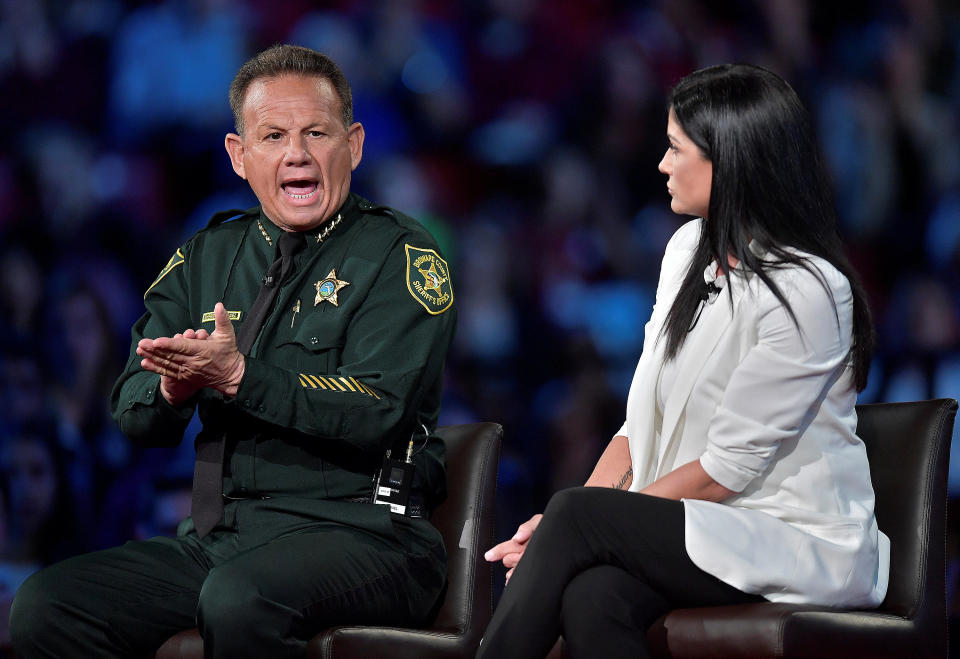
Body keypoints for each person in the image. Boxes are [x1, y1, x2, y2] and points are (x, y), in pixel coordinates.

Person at [10, 44, 456, 658]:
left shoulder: (401, 255)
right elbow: (130, 409)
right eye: (272, 136)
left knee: (238, 599)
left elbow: (377, 406)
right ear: (239, 155)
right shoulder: (207, 256)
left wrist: (241, 376)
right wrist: (173, 387)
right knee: (46, 606)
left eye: (315, 133)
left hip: (369, 535)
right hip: (225, 541)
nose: (296, 153)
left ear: (352, 145)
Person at [479, 63, 889, 659]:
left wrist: (574, 527)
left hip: (789, 536)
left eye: (676, 149)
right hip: (701, 526)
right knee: (594, 596)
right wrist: (566, 536)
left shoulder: (809, 288)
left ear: (731, 160)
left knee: (574, 522)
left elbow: (726, 469)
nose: (663, 165)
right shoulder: (685, 251)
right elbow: (635, 428)